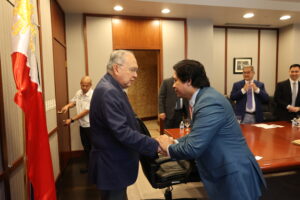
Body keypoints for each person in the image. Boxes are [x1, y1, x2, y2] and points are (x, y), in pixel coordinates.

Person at [157, 59, 266, 200]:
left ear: (188, 81)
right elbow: (198, 134)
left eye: (176, 80)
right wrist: (175, 142)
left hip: (233, 174)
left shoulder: (209, 102)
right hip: (224, 170)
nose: (173, 85)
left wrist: (169, 147)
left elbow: (193, 148)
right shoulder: (204, 97)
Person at [89, 50, 159, 200]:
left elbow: (131, 122)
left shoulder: (113, 88)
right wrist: (156, 144)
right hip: (112, 166)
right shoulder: (109, 92)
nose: (136, 75)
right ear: (116, 68)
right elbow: (122, 132)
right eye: (132, 70)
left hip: (115, 165)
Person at [59, 76, 93, 173]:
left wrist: (71, 120)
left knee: (94, 148)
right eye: (82, 85)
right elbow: (74, 102)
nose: (84, 87)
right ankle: (89, 168)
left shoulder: (92, 95)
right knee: (86, 148)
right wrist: (67, 106)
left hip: (91, 126)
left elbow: (86, 111)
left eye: (86, 86)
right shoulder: (79, 93)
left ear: (90, 85)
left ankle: (97, 169)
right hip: (82, 126)